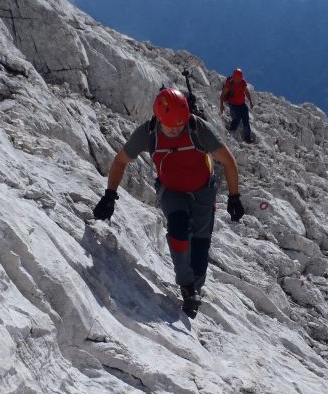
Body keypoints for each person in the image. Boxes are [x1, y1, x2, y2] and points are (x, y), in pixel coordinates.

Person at [93, 87, 245, 318]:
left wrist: (234, 197)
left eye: (180, 123)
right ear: (158, 117)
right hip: (171, 190)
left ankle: (195, 287)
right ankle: (187, 288)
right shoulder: (148, 133)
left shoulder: (197, 128)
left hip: (203, 191)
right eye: (170, 124)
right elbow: (120, 161)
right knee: (178, 227)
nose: (175, 128)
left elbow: (229, 161)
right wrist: (110, 195)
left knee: (200, 250)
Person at [219, 68, 255, 143]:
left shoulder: (243, 82)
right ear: (234, 77)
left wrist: (251, 101)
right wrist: (221, 105)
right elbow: (222, 95)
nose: (238, 80)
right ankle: (231, 134)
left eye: (239, 78)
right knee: (236, 119)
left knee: (246, 121)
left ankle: (247, 138)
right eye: (236, 78)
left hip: (242, 104)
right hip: (233, 105)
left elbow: (247, 92)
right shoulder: (230, 83)